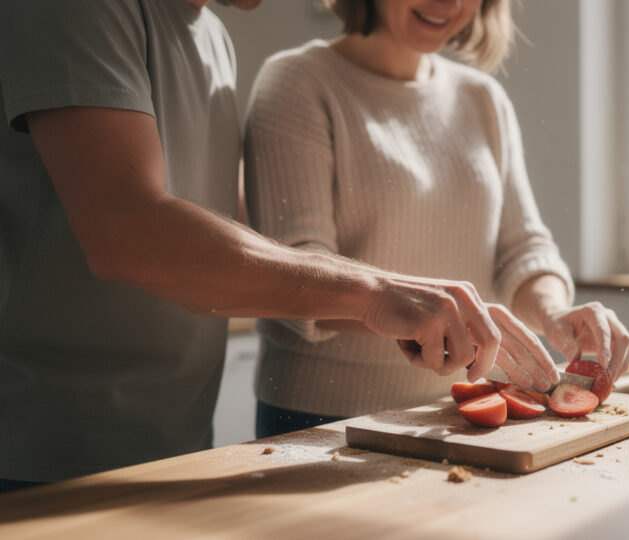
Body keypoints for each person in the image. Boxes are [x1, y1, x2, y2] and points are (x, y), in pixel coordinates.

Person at [0, 0, 554, 493]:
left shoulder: (211, 35)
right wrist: (374, 292)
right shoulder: (75, 8)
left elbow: (215, 230)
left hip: (178, 443)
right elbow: (126, 231)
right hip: (45, 450)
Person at [244, 0, 629, 437]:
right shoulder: (297, 82)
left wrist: (554, 311)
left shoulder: (483, 98)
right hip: (323, 418)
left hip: (458, 414)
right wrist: (411, 306)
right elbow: (296, 267)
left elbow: (522, 248)